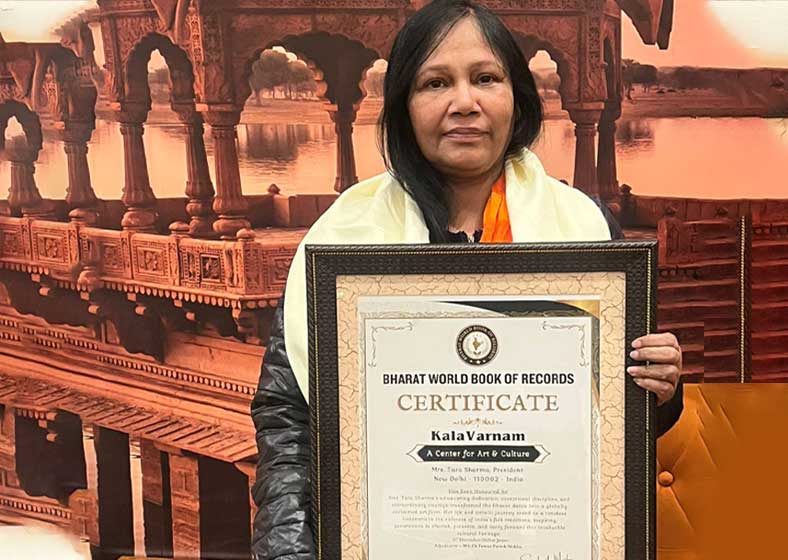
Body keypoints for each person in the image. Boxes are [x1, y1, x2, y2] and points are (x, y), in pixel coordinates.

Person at [250, 2, 683, 558]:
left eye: (485, 78)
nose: (464, 103)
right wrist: (289, 552)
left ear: (517, 96)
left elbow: (610, 428)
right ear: (404, 105)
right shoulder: (346, 239)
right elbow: (288, 419)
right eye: (435, 83)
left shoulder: (582, 230)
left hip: (538, 536)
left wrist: (659, 389)